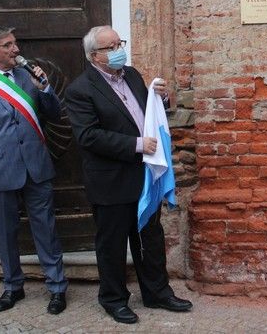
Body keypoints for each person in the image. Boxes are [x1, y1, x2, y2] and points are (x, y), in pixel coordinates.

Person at [64, 25, 192, 324]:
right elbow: (88, 136)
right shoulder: (80, 90)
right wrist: (137, 144)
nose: (118, 50)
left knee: (150, 237)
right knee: (112, 243)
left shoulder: (132, 75)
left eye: (119, 43)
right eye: (110, 47)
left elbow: (145, 114)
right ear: (94, 56)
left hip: (143, 176)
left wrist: (160, 100)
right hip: (110, 179)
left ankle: (157, 292)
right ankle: (113, 299)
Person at [0, 25, 68, 314]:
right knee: (6, 234)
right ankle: (12, 286)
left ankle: (57, 287)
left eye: (15, 43)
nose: (15, 49)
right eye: (7, 45)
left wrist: (45, 89)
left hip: (36, 167)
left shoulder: (28, 77)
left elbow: (54, 115)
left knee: (46, 229)